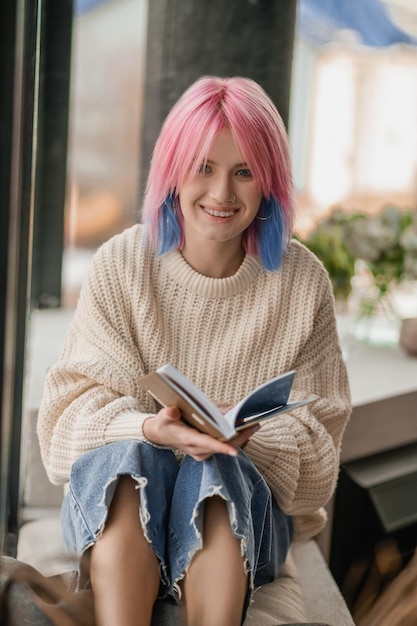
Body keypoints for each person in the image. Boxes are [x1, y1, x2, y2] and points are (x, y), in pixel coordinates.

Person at [37, 75, 351, 626]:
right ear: (173, 171)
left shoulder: (303, 283)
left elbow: (320, 467)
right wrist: (150, 429)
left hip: (242, 515)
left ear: (270, 182)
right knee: (132, 461)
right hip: (124, 507)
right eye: (203, 167)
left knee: (218, 476)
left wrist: (246, 443)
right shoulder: (121, 264)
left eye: (245, 172)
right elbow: (63, 429)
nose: (222, 195)